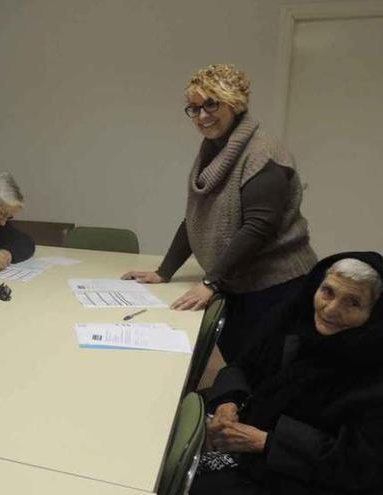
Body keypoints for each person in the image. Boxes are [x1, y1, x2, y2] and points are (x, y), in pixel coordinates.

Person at [122, 64, 316, 362]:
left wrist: (211, 282)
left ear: (234, 102)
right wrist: (164, 272)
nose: (202, 116)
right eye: (194, 108)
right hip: (238, 280)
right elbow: (196, 218)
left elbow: (258, 228)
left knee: (262, 365)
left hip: (275, 285)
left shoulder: (263, 153)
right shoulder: (214, 149)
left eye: (211, 104)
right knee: (239, 360)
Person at [191, 252, 383, 494]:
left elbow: (362, 465)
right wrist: (228, 403)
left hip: (306, 477)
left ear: (375, 314)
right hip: (252, 447)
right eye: (328, 292)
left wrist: (266, 442)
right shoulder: (293, 324)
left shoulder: (373, 373)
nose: (332, 309)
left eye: (353, 303)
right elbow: (242, 366)